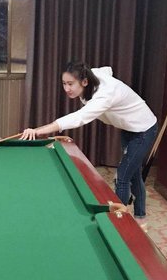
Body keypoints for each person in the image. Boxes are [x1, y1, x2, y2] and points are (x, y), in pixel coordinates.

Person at [21, 61, 158, 226]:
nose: (67, 88)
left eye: (70, 84)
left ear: (84, 82)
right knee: (133, 174)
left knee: (122, 177)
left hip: (144, 130)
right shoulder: (91, 75)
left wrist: (38, 131)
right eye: (64, 83)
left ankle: (119, 226)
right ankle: (141, 218)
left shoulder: (105, 95)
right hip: (128, 128)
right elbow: (107, 70)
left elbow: (79, 118)